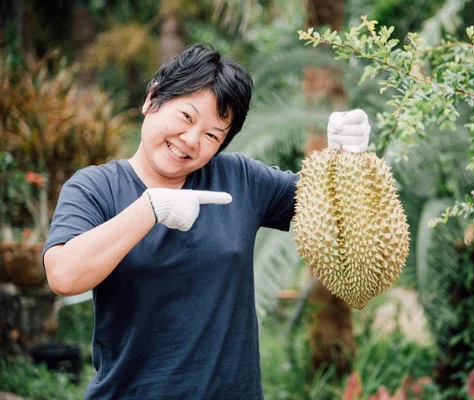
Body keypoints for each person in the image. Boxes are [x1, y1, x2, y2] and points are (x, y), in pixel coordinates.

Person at [43, 43, 370, 399]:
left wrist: (346, 160)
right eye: (186, 117)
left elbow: (339, 213)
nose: (191, 140)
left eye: (213, 135)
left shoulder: (240, 180)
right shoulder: (95, 188)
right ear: (152, 98)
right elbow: (63, 275)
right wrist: (148, 208)